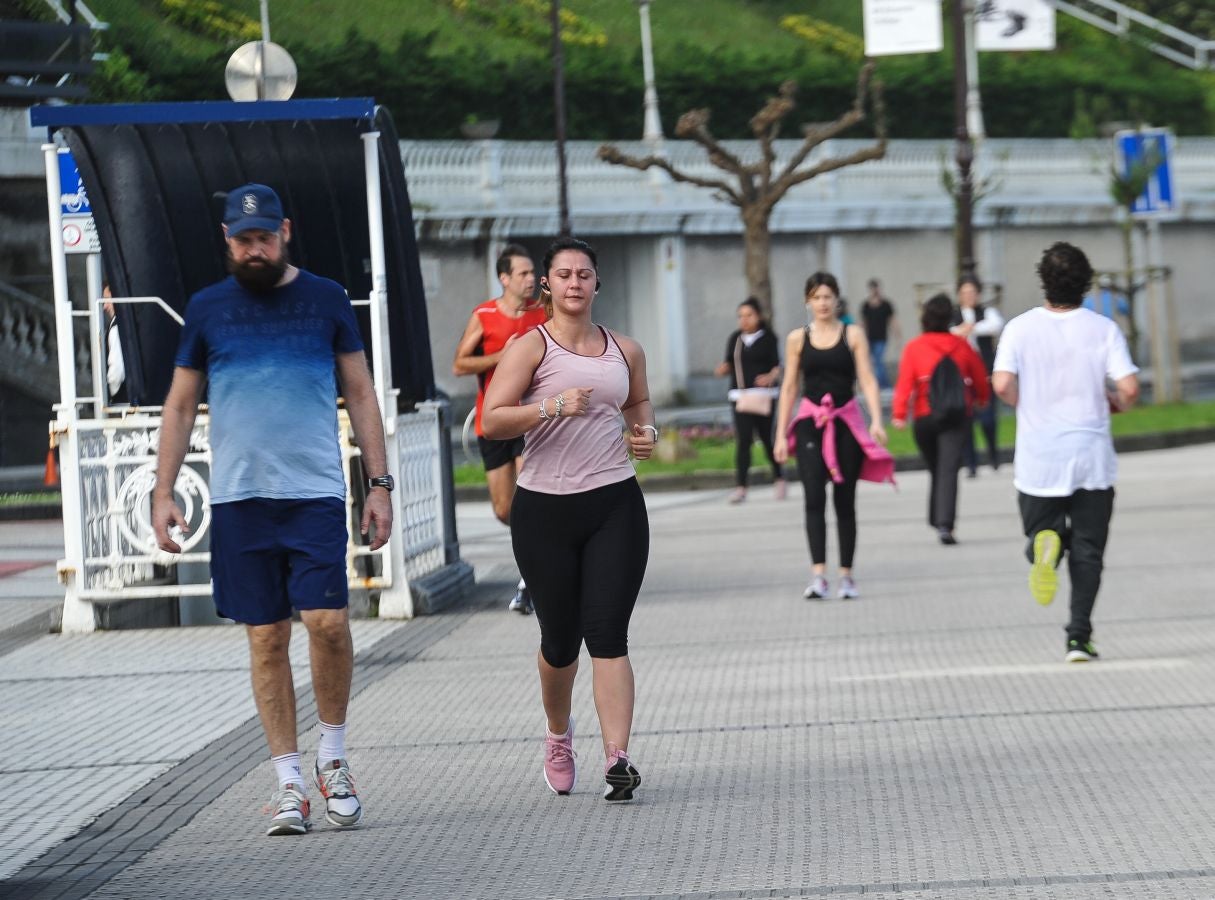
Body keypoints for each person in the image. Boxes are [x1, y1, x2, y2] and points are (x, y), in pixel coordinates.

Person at [152, 183, 393, 836]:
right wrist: (162, 490)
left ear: (285, 231)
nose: (253, 250)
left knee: (327, 622)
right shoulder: (206, 309)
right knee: (266, 639)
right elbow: (178, 405)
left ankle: (333, 756)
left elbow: (361, 393)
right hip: (238, 500)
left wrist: (379, 484)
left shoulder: (326, 298)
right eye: (241, 240)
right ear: (226, 240)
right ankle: (289, 782)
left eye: (263, 238)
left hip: (313, 493)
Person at [482, 236, 655, 802]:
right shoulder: (530, 347)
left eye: (584, 274)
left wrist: (645, 434)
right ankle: (559, 735)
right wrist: (551, 407)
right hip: (544, 510)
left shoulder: (625, 349)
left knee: (607, 632)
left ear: (596, 283)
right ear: (547, 286)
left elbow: (638, 404)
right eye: (563, 274)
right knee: (560, 640)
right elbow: (493, 420)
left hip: (614, 503)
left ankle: (618, 759)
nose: (574, 282)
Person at [992, 242, 1139, 663]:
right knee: (1090, 550)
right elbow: (1128, 388)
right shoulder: (1103, 329)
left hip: (1040, 456)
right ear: (1086, 284)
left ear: (1044, 281)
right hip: (1091, 455)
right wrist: (1118, 403)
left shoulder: (1019, 328)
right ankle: (1078, 637)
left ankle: (1046, 543)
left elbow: (1002, 384)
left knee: (1040, 534)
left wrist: (1026, 401)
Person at [774, 272, 893, 601]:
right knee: (813, 498)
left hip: (845, 423)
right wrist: (782, 435)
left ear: (837, 300)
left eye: (828, 296)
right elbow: (789, 388)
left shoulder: (852, 333)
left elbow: (867, 379)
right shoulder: (798, 338)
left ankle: (846, 576)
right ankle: (818, 576)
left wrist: (877, 420)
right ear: (807, 302)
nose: (823, 303)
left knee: (844, 500)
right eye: (816, 297)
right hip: (811, 423)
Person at [453, 244, 548, 614]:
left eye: (532, 272)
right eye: (523, 273)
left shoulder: (543, 313)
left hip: (530, 419)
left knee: (531, 502)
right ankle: (540, 560)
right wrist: (502, 356)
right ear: (504, 278)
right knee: (504, 509)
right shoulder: (485, 315)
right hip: (491, 419)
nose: (530, 279)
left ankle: (531, 582)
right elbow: (460, 364)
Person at [892, 293, 990, 545]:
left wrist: (900, 414)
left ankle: (937, 517)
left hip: (925, 417)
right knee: (947, 469)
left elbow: (904, 383)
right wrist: (981, 398)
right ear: (949, 318)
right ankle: (944, 523)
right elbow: (979, 376)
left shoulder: (914, 347)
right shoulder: (962, 346)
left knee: (937, 467)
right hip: (956, 416)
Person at [713, 297, 786, 504]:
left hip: (764, 396)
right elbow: (729, 362)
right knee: (743, 440)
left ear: (759, 316)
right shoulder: (735, 338)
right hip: (741, 396)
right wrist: (722, 369)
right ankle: (741, 486)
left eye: (749, 315)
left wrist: (771, 377)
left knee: (766, 438)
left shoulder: (769, 338)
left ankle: (779, 477)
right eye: (741, 316)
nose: (744, 320)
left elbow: (777, 365)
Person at [950, 275, 1004, 476]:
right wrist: (962, 330)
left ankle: (993, 455)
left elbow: (995, 325)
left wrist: (970, 328)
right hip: (963, 377)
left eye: (972, 292)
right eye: (964, 293)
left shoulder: (987, 312)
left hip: (985, 374)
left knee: (988, 420)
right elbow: (950, 333)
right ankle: (971, 464)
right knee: (966, 422)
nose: (969, 296)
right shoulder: (954, 315)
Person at [861, 278, 900, 390]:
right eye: (872, 288)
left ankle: (882, 385)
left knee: (879, 360)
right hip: (869, 338)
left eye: (876, 287)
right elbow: (863, 323)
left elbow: (892, 321)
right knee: (874, 362)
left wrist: (897, 335)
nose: (874, 290)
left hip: (881, 338)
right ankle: (883, 384)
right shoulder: (866, 305)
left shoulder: (886, 305)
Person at [102, 284, 127, 404]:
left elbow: (117, 369)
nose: (104, 307)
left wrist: (111, 396)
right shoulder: (126, 323)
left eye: (107, 301)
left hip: (122, 399)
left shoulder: (116, 328)